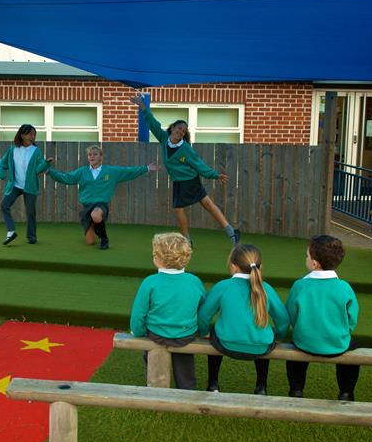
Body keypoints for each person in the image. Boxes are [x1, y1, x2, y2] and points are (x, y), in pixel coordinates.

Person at [131, 94, 239, 247]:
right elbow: (152, 122)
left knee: (192, 207)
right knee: (203, 204)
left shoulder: (185, 149)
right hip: (179, 182)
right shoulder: (163, 138)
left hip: (189, 181)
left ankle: (195, 238)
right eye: (179, 128)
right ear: (173, 127)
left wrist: (214, 175)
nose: (181, 132)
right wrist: (142, 105)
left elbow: (199, 164)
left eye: (183, 131)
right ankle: (227, 232)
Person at [200, 244, 289, 395]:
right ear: (260, 267)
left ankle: (213, 384)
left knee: (214, 330)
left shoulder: (224, 286)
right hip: (261, 347)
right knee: (263, 334)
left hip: (225, 344)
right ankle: (261, 386)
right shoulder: (266, 288)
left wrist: (203, 332)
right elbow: (283, 320)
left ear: (234, 267)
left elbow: (204, 315)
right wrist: (279, 336)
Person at [285, 235, 360, 401]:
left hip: (304, 342)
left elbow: (290, 314)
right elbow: (352, 317)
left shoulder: (300, 285)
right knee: (353, 352)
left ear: (314, 263)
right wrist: (344, 332)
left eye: (307, 255)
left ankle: (296, 390)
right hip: (337, 343)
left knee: (293, 354)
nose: (306, 258)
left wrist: (301, 329)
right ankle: (346, 391)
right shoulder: (344, 287)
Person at [130, 232, 206, 390]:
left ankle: (155, 383)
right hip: (186, 335)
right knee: (185, 362)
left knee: (150, 354)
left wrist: (138, 332)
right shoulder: (194, 281)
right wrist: (201, 330)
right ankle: (186, 389)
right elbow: (202, 310)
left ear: (158, 259)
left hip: (156, 334)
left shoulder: (150, 282)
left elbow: (138, 314)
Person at [47, 145, 158, 249]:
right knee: (90, 242)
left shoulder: (111, 171)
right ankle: (94, 225)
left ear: (101, 156)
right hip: (87, 206)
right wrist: (50, 172)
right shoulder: (82, 171)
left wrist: (147, 168)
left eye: (95, 154)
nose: (92, 156)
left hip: (101, 205)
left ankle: (104, 239)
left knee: (95, 214)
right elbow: (67, 178)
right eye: (90, 155)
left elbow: (129, 171)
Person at [0, 124, 53, 245]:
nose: (33, 136)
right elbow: (1, 164)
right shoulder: (12, 150)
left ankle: (31, 237)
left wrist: (46, 164)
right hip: (15, 185)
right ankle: (11, 231)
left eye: (34, 134)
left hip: (30, 187)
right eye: (30, 134)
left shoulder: (36, 151)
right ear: (22, 135)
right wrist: (1, 173)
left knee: (30, 212)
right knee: (4, 206)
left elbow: (38, 170)